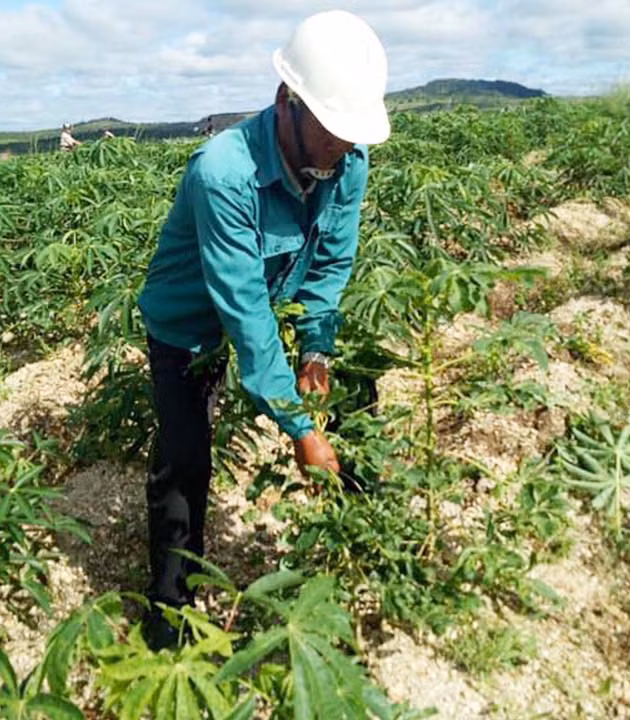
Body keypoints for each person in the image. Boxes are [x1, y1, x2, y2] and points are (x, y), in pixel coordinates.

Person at [136, 9, 390, 650]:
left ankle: (368, 533)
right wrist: (299, 429)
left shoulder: (347, 163)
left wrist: (317, 346)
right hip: (186, 323)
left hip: (270, 305)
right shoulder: (223, 173)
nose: (341, 146)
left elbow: (331, 263)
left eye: (349, 133)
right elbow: (244, 312)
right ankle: (169, 613)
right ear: (287, 100)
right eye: (331, 128)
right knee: (186, 456)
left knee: (360, 388)